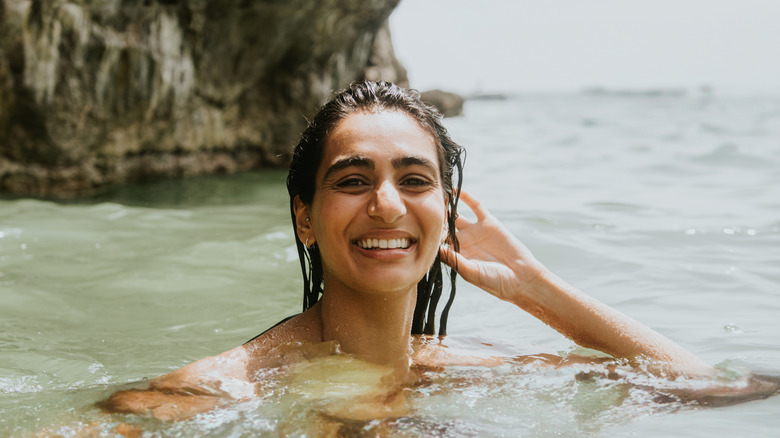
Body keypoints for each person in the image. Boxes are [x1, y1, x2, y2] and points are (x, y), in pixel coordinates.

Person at [100, 81, 776, 422]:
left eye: (415, 179)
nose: (388, 205)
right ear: (306, 218)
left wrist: (532, 284)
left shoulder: (465, 368)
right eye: (353, 180)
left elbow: (722, 391)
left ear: (445, 214)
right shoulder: (227, 384)